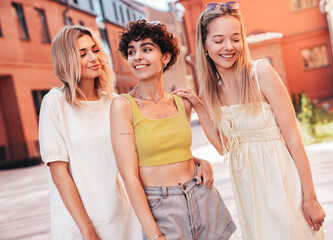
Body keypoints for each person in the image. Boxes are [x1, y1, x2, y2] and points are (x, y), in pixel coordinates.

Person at [174, 2, 326, 239]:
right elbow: (225, 147)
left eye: (235, 38)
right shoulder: (210, 93)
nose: (229, 46)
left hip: (283, 185)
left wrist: (310, 197)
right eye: (218, 40)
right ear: (204, 45)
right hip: (249, 194)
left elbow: (294, 138)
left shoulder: (261, 74)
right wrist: (199, 106)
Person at [110, 20, 236, 240]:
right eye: (131, 52)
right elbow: (129, 176)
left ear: (165, 57)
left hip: (202, 196)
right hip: (162, 207)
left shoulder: (181, 103)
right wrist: (154, 235)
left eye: (146, 49)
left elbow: (172, 149)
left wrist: (199, 160)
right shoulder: (123, 106)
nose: (137, 57)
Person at [38, 25, 141, 240]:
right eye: (83, 53)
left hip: (123, 218)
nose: (94, 57)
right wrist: (86, 228)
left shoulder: (113, 102)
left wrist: (195, 161)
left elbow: (141, 151)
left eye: (95, 49)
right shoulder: (55, 102)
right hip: (78, 224)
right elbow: (59, 172)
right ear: (67, 59)